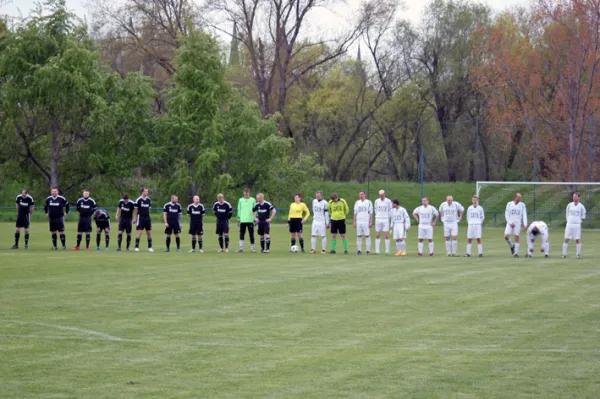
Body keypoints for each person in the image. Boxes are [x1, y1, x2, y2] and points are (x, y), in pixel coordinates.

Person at [563, 192, 586, 259]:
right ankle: (564, 254)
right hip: (569, 224)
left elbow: (583, 215)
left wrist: (579, 221)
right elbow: (567, 213)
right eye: (573, 196)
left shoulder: (581, 206)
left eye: (575, 196)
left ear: (579, 198)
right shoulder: (569, 205)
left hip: (577, 225)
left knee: (577, 239)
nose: (574, 198)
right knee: (566, 239)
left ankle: (578, 254)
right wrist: (568, 220)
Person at [504, 193, 528, 258]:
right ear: (515, 197)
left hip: (517, 223)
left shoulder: (522, 205)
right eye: (518, 198)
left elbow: (524, 215)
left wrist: (525, 224)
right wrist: (510, 222)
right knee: (506, 236)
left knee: (516, 237)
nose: (519, 199)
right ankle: (512, 246)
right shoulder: (509, 204)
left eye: (520, 198)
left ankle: (516, 254)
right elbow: (506, 214)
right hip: (510, 223)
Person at [237, 188, 257, 253]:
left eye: (247, 192)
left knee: (251, 234)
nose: (246, 194)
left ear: (249, 193)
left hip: (250, 220)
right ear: (243, 193)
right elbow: (239, 209)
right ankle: (241, 248)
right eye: (245, 192)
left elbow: (255, 210)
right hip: (242, 220)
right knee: (241, 234)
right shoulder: (240, 200)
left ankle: (252, 248)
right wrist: (238, 219)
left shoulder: (253, 200)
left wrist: (255, 219)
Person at [133, 187, 153, 252]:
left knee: (149, 233)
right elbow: (136, 210)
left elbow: (149, 209)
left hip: (147, 217)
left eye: (147, 191)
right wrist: (135, 218)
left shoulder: (149, 200)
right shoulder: (138, 200)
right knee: (139, 232)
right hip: (140, 217)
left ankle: (150, 247)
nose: (147, 192)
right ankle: (136, 247)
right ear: (142, 192)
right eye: (145, 191)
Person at [353, 190, 373, 255]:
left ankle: (368, 250)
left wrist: (371, 222)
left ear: (365, 195)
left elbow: (371, 213)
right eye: (360, 194)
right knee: (359, 235)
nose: (361, 196)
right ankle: (359, 250)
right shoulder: (357, 202)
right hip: (359, 220)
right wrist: (354, 222)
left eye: (362, 194)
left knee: (367, 235)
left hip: (366, 220)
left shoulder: (368, 202)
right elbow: (355, 213)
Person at [374, 189, 393, 255]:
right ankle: (377, 251)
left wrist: (389, 218)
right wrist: (377, 215)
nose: (381, 197)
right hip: (378, 219)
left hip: (385, 219)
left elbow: (390, 210)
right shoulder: (376, 201)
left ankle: (387, 251)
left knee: (386, 235)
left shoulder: (388, 201)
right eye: (380, 196)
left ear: (384, 194)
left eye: (382, 195)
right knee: (377, 235)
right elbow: (375, 209)